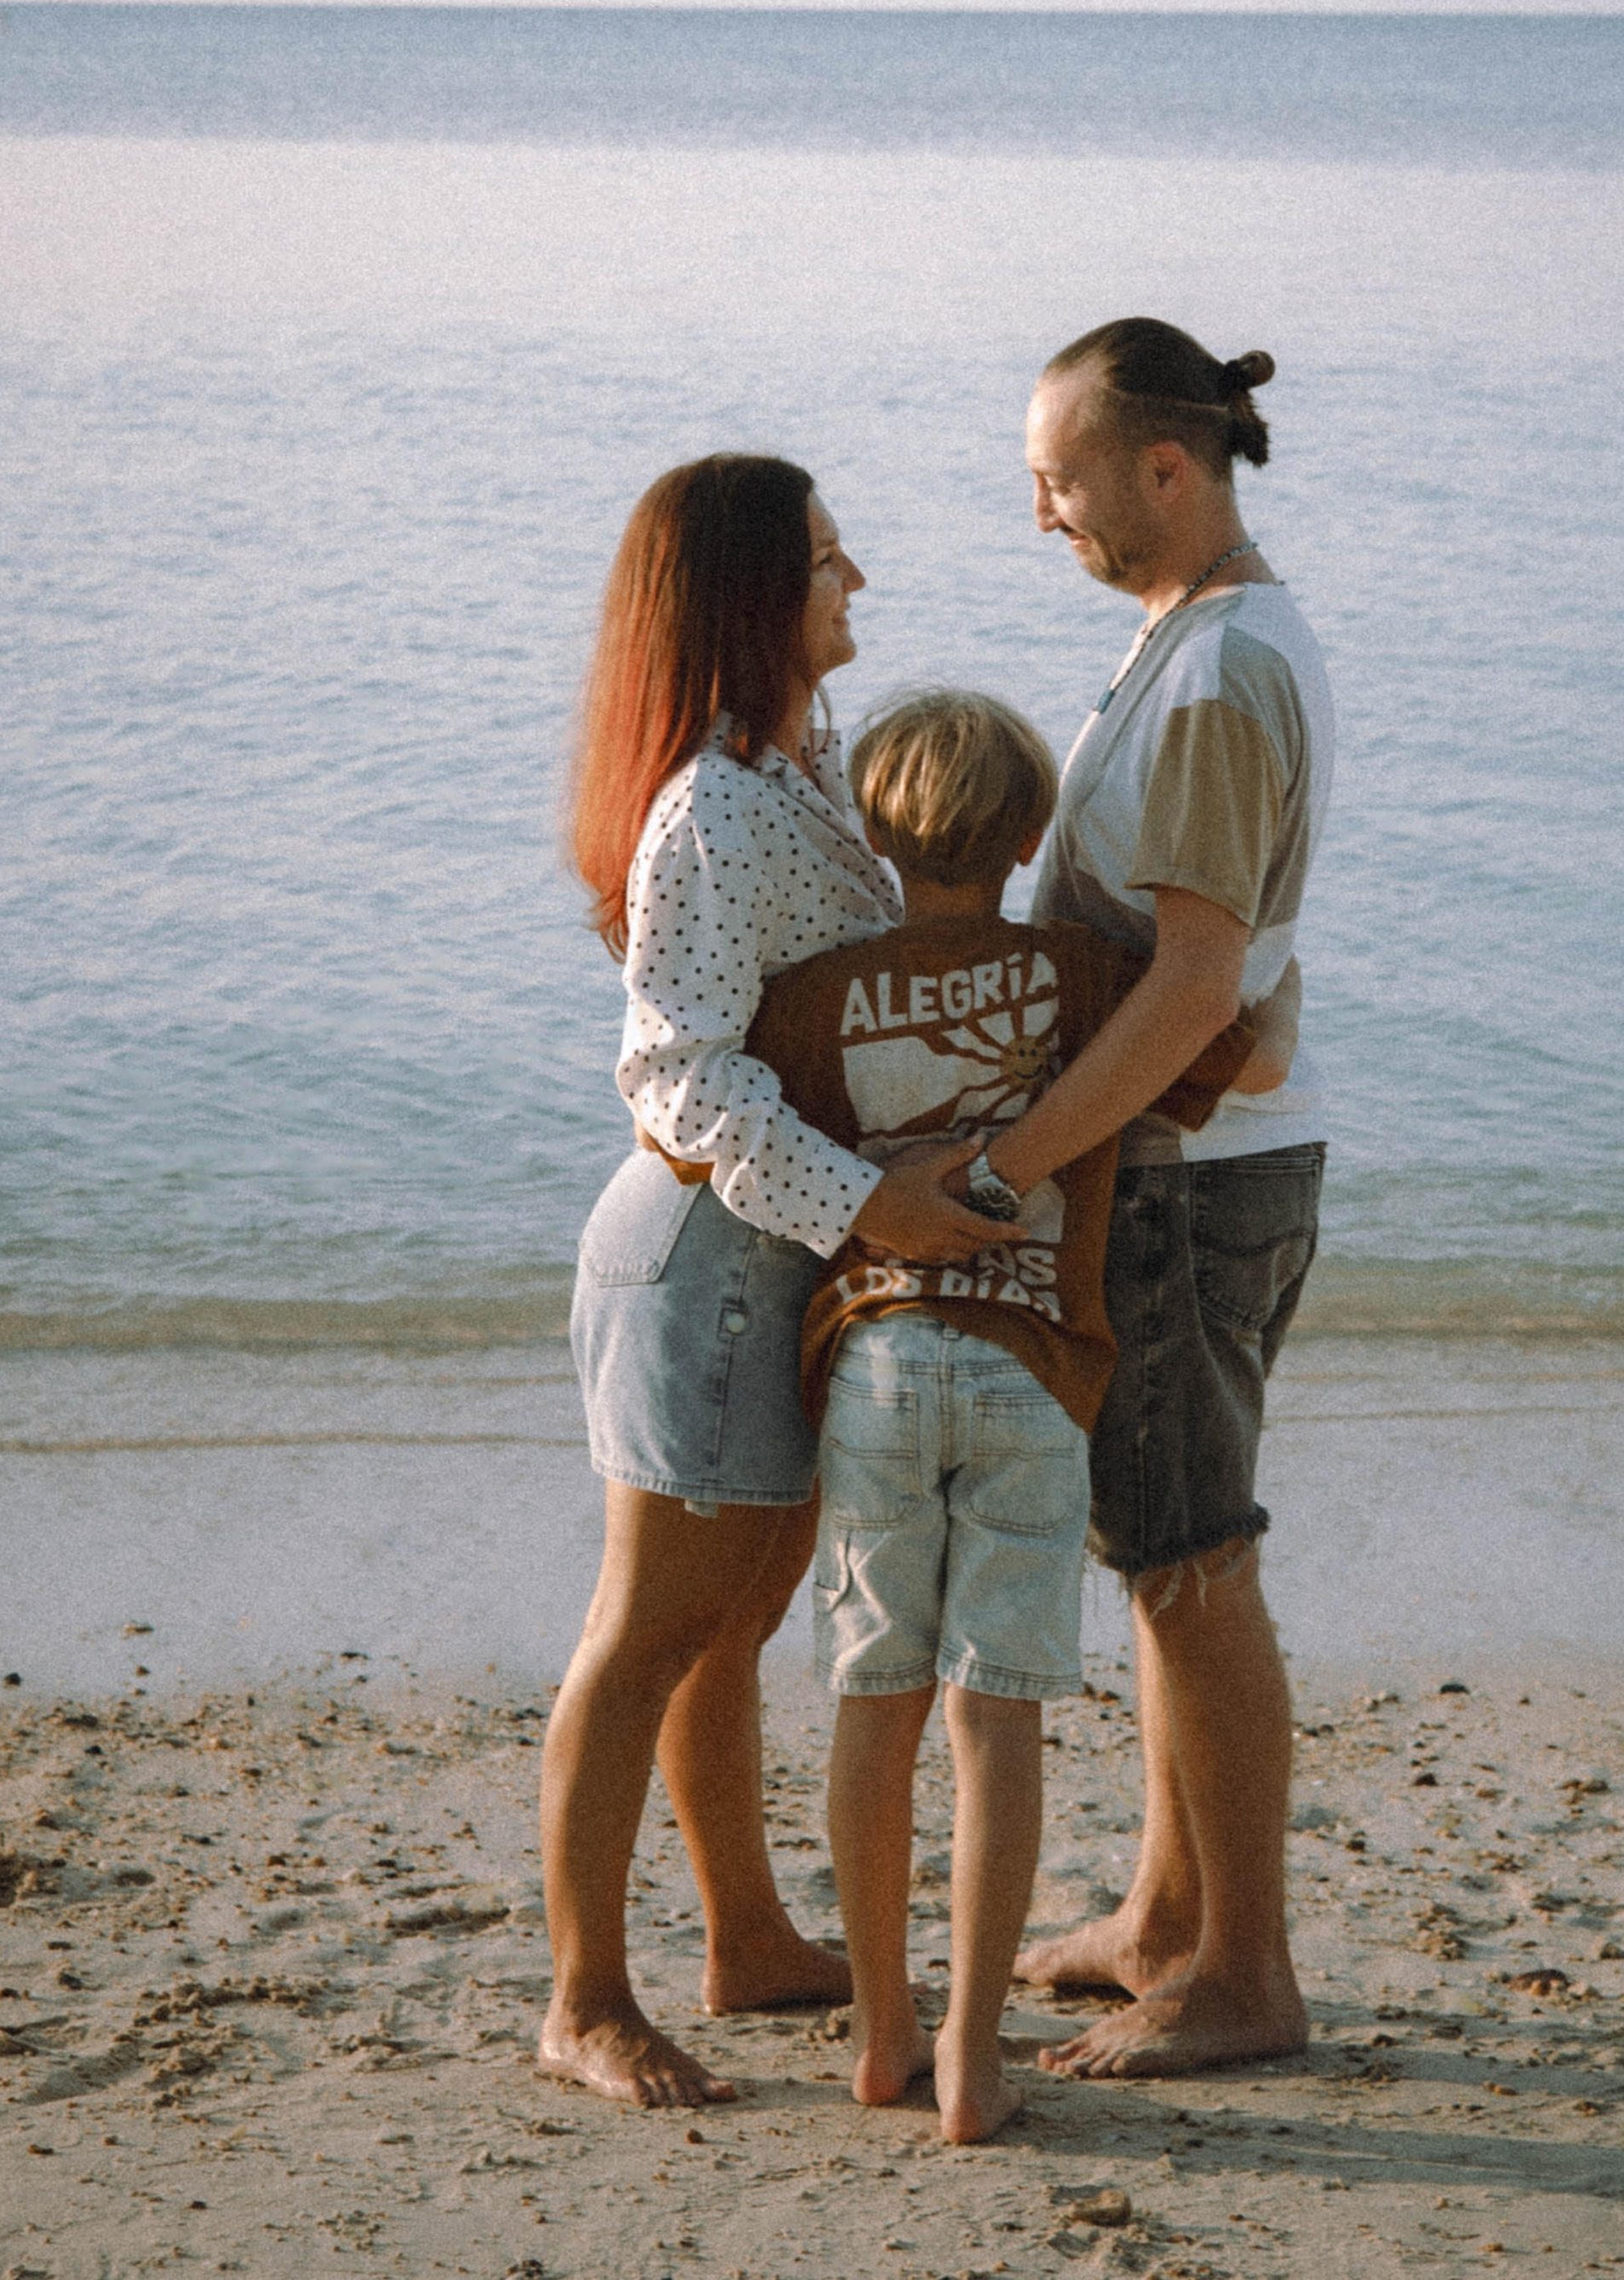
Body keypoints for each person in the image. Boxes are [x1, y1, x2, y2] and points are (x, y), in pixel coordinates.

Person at [540, 456, 1020, 2112]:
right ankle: (585, 1998)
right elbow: (671, 1070)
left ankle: (743, 1938)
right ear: (752, 593)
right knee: (650, 1629)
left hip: (792, 1256)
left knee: (734, 1622)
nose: (860, 580)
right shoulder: (713, 807)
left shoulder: (797, 762)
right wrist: (869, 1196)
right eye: (826, 561)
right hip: (701, 1256)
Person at [741, 687, 1262, 2141]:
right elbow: (1233, 1041)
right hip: (1034, 1371)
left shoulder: (817, 994)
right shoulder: (1085, 970)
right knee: (995, 1716)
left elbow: (724, 1135)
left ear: (871, 833)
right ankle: (974, 2047)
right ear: (1033, 833)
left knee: (872, 1695)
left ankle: (884, 2028)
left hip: (876, 1363)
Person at [934, 320, 1335, 2080]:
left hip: (1183, 1187)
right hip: (1185, 1170)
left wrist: (997, 1169)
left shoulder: (1215, 671)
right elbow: (1210, 984)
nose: (1042, 514)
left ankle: (1242, 1968)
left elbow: (1193, 987)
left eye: (1057, 478)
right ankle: (1166, 1914)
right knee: (1160, 1547)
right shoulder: (1193, 642)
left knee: (1188, 1567)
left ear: (1161, 468)